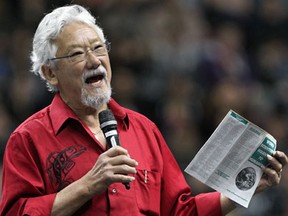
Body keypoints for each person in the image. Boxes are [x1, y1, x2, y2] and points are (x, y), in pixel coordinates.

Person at [0, 4, 287, 216]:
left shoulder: (143, 129)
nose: (94, 60)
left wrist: (242, 189)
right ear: (50, 73)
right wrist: (88, 185)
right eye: (76, 53)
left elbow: (179, 210)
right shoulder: (27, 139)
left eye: (99, 48)